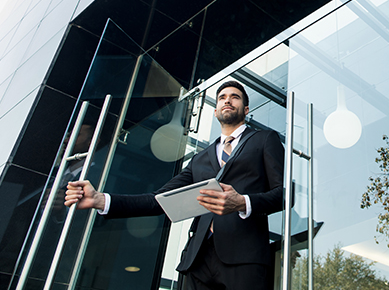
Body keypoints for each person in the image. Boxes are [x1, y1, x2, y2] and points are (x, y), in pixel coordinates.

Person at [65, 81, 284, 290]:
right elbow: (158, 201)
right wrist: (101, 200)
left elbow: (282, 195)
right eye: (222, 98)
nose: (227, 100)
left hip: (246, 256)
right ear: (215, 111)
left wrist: (242, 202)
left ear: (245, 109)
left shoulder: (264, 139)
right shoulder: (199, 159)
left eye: (234, 97)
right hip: (197, 260)